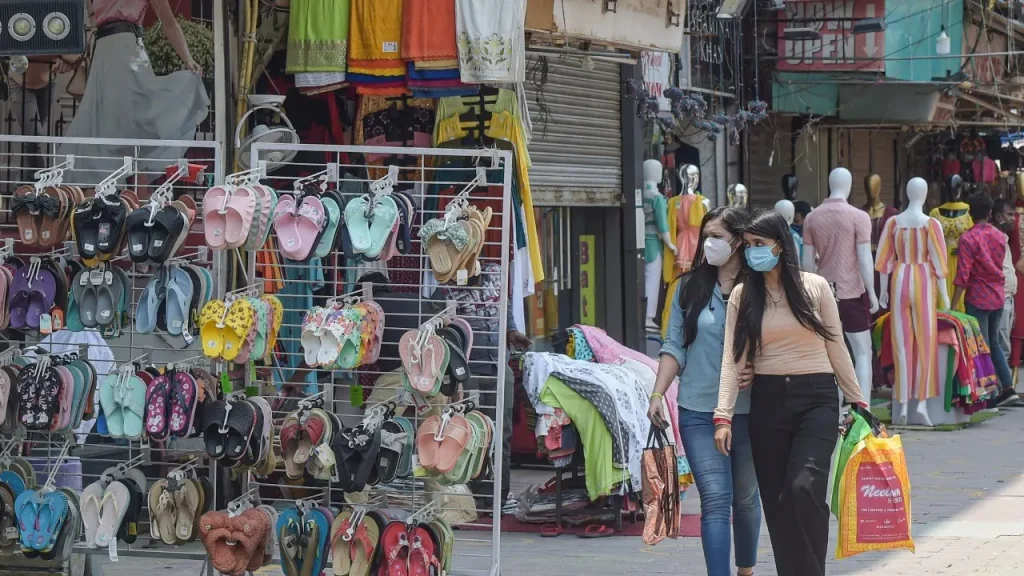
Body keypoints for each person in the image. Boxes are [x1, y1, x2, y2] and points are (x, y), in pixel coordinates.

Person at [713, 210, 866, 576]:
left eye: (759, 245)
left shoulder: (814, 287)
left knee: (803, 489)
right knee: (779, 504)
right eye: (747, 246)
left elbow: (837, 348)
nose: (752, 252)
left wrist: (858, 400)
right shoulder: (742, 295)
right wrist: (723, 415)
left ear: (780, 245)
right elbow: (731, 359)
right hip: (767, 403)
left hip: (816, 398)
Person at [648, 206, 760, 576]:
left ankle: (746, 569)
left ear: (740, 241)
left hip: (750, 412)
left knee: (744, 500)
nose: (708, 243)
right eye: (706, 235)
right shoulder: (687, 287)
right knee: (714, 500)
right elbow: (673, 345)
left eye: (717, 237)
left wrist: (758, 369)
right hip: (698, 410)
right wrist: (656, 394)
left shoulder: (761, 287)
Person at [59, 0, 209, 185]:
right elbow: (83, 25)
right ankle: (103, 199)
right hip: (104, 55)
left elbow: (169, 23)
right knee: (105, 130)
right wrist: (67, 55)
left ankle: (134, 201)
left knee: (133, 130)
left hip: (126, 52)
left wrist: (188, 59)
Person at [430, 262, 531, 511]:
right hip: (468, 374)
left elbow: (504, 308)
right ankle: (470, 498)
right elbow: (439, 332)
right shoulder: (445, 290)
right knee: (468, 435)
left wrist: (512, 332)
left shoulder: (495, 275)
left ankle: (498, 497)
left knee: (501, 434)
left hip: (499, 368)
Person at [952, 193, 1021, 406]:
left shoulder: (968, 239)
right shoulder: (1001, 237)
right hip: (998, 295)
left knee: (979, 347)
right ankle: (1008, 388)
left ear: (970, 214)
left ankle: (988, 394)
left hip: (978, 297)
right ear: (990, 213)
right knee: (994, 344)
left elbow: (963, 275)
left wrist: (953, 305)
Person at [994, 199, 1018, 362]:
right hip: (999, 298)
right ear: (998, 217)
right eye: (1009, 214)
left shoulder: (1004, 238)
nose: (1014, 218)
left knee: (1002, 346)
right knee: (1001, 348)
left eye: (1014, 215)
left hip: (1007, 298)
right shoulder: (995, 239)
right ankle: (1002, 386)